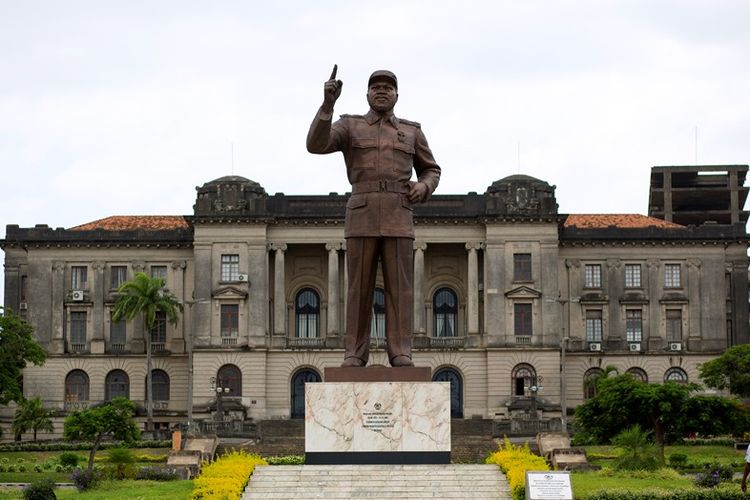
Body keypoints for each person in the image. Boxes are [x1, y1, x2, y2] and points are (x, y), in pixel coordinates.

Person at [306, 66, 441, 367]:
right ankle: (354, 352)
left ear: (396, 95)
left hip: (398, 215)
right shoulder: (349, 126)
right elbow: (315, 145)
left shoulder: (412, 131)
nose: (382, 91)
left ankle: (400, 351)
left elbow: (432, 169)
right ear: (367, 94)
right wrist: (328, 105)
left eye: (388, 87)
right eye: (376, 86)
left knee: (400, 289)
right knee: (358, 288)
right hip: (362, 214)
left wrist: (424, 186)